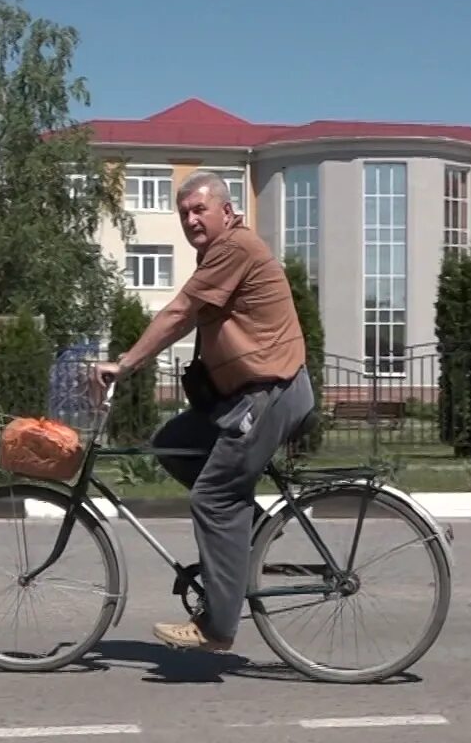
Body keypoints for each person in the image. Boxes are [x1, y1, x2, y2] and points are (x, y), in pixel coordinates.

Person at [94, 170, 315, 653]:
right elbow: (187, 318)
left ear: (228, 212)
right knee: (173, 443)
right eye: (185, 213)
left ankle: (217, 626)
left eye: (200, 209)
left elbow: (179, 312)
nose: (192, 219)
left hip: (270, 392)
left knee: (213, 497)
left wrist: (125, 364)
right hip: (246, 394)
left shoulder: (234, 247)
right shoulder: (218, 253)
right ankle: (253, 533)